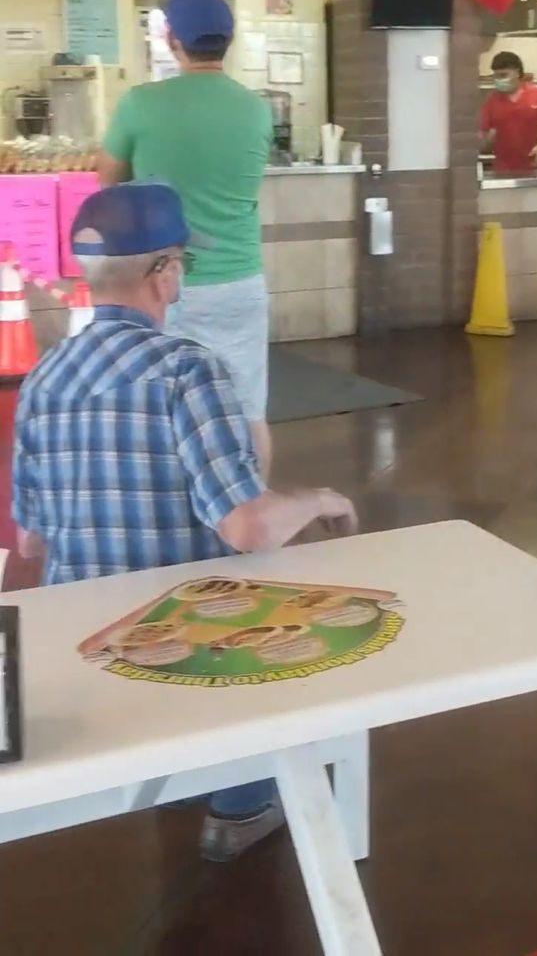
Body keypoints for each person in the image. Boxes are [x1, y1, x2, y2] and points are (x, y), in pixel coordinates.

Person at [12, 182, 357, 863]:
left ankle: (171, 779)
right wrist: (319, 499)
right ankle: (239, 804)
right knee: (286, 601)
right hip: (183, 646)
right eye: (181, 265)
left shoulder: (43, 379)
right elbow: (247, 526)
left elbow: (29, 538)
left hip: (82, 641)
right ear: (163, 273)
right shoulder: (186, 370)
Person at [98, 0, 274, 478]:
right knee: (248, 412)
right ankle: (251, 512)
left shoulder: (140, 103)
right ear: (228, 39)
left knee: (164, 411)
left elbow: (107, 184)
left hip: (162, 284)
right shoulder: (255, 109)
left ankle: (176, 522)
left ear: (172, 38)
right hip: (241, 283)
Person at [480, 50, 537, 174]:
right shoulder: (491, 101)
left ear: (517, 73)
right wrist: (488, 139)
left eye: (503, 75)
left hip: (534, 166)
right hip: (503, 170)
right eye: (496, 76)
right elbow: (484, 138)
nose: (499, 80)